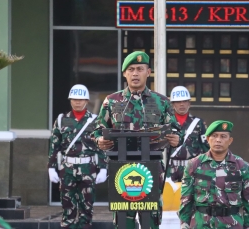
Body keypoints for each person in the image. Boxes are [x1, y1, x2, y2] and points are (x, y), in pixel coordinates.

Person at [92, 51, 182, 229]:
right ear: (124, 73)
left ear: (148, 72)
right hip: (121, 169)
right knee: (124, 221)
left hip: (152, 168)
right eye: (131, 69)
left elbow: (176, 129)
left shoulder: (161, 102)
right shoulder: (111, 101)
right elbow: (98, 129)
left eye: (140, 69)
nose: (135, 73)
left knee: (152, 220)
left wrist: (176, 138)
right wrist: (99, 140)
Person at [48, 84, 108, 229]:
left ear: (87, 101)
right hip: (68, 168)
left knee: (86, 208)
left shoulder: (95, 121)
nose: (78, 102)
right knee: (67, 208)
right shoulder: (62, 120)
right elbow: (54, 145)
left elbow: (101, 146)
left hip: (88, 168)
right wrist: (51, 167)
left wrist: (103, 168)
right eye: (74, 99)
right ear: (70, 100)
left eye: (81, 99)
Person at [179, 120, 249, 229]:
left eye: (223, 136)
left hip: (231, 224)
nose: (218, 140)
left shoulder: (242, 166)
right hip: (201, 224)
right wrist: (184, 225)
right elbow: (186, 200)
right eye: (214, 136)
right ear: (207, 139)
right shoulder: (194, 165)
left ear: (230, 140)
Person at [167, 85, 209, 182]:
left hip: (192, 168)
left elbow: (206, 147)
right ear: (173, 104)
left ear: (189, 103)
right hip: (170, 168)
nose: (182, 104)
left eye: (185, 101)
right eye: (178, 102)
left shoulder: (199, 123)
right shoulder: (166, 123)